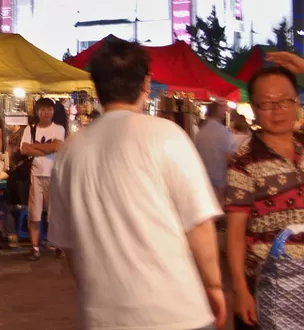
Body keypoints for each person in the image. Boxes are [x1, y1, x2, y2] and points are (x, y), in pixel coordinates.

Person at [49, 39, 226, 330]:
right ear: (146, 83)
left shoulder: (71, 150)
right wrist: (214, 285)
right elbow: (199, 224)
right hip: (176, 313)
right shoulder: (167, 135)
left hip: (104, 316)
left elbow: (69, 244)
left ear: (97, 87)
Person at [224, 66, 304, 330]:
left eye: (284, 101)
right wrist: (240, 291)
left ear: (296, 102)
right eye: (267, 103)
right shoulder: (244, 162)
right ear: (254, 109)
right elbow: (235, 232)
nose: (277, 110)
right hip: (273, 286)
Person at [20, 97, 66, 261]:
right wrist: (46, 149)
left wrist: (35, 147)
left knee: (55, 213)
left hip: (54, 175)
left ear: (53, 112)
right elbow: (24, 149)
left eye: (49, 110)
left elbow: (56, 146)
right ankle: (35, 247)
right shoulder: (29, 129)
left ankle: (58, 245)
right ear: (38, 111)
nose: (46, 113)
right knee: (34, 213)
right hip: (36, 175)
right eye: (43, 109)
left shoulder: (58, 128)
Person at [194, 102, 237, 207]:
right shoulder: (223, 132)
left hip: (203, 181)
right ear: (218, 108)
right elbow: (230, 157)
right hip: (220, 183)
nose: (225, 110)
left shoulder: (200, 133)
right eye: (223, 106)